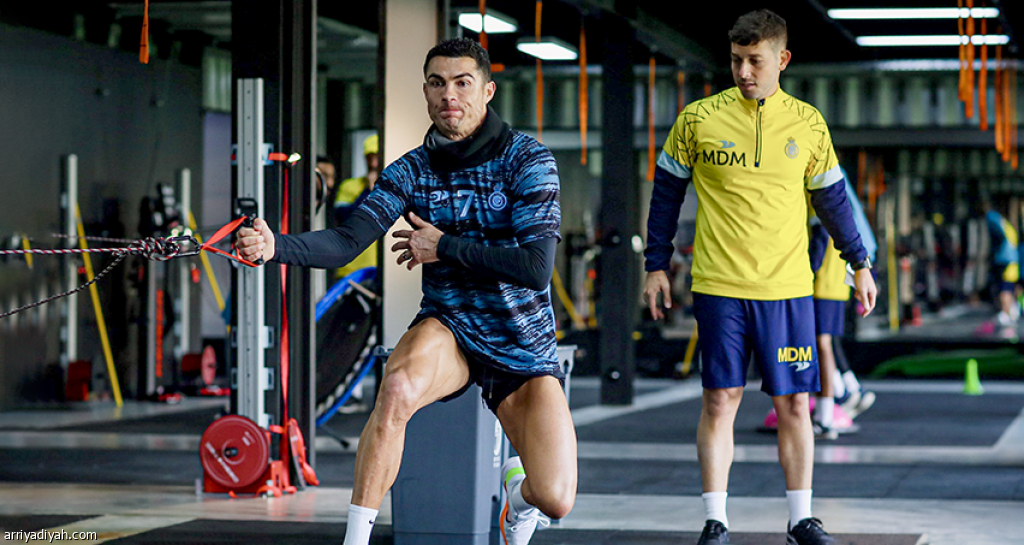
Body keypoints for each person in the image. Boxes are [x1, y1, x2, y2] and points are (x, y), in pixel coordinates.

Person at [236, 37, 575, 545]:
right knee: (395, 389)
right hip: (450, 326)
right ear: (425, 91)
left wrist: (445, 247)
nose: (449, 95)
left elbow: (535, 268)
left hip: (520, 343)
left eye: (462, 83)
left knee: (555, 497)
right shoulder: (411, 170)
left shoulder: (528, 160)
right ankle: (355, 540)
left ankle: (517, 496)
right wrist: (274, 246)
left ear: (487, 91)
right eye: (437, 83)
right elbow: (347, 241)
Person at [642, 10, 876, 545]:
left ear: (782, 59)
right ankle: (716, 520)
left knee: (794, 403)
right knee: (720, 399)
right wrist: (656, 264)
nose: (744, 71)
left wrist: (859, 262)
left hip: (788, 288)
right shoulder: (697, 120)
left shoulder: (808, 123)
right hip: (719, 286)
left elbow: (834, 201)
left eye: (755, 61)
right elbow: (665, 195)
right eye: (736, 60)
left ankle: (801, 519)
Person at [808, 177, 877, 439]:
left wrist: (808, 272)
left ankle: (828, 411)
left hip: (822, 283)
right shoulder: (840, 186)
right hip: (836, 282)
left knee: (822, 343)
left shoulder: (819, 186)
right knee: (825, 342)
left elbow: (820, 238)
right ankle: (845, 389)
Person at [332, 135, 381, 278]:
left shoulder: (396, 188)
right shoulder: (349, 186)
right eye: (369, 158)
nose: (373, 163)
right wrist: (368, 191)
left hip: (386, 268)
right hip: (352, 268)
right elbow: (344, 218)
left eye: (377, 158)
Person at [984, 200, 1019, 328]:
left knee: (1005, 288)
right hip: (1012, 261)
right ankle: (1010, 311)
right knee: (1008, 287)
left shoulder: (993, 218)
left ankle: (1006, 313)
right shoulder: (1006, 224)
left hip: (1005, 261)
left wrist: (993, 252)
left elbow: (998, 237)